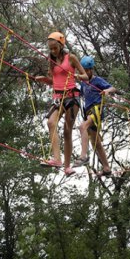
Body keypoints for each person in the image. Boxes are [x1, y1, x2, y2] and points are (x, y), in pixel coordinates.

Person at [35, 31, 89, 176]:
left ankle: (67, 167)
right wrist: (44, 80)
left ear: (61, 45)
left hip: (72, 97)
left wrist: (76, 75)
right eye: (51, 48)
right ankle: (57, 159)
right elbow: (53, 80)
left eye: (55, 48)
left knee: (67, 131)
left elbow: (85, 76)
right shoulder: (51, 61)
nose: (53, 51)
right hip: (58, 97)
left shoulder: (71, 58)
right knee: (51, 123)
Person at [73, 56, 117, 177]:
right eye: (83, 70)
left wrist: (107, 91)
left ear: (91, 70)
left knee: (82, 127)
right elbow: (80, 93)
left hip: (96, 110)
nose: (85, 73)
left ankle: (83, 156)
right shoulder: (83, 83)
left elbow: (112, 88)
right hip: (88, 112)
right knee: (96, 143)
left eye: (87, 70)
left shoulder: (97, 80)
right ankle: (107, 168)